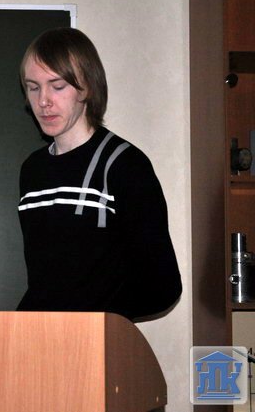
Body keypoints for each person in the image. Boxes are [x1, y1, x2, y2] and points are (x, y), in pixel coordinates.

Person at [16, 27, 182, 321]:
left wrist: (97, 317)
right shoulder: (33, 170)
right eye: (33, 87)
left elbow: (163, 286)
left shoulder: (124, 165)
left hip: (95, 338)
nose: (43, 101)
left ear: (87, 88)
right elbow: (48, 281)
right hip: (40, 337)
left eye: (57, 86)